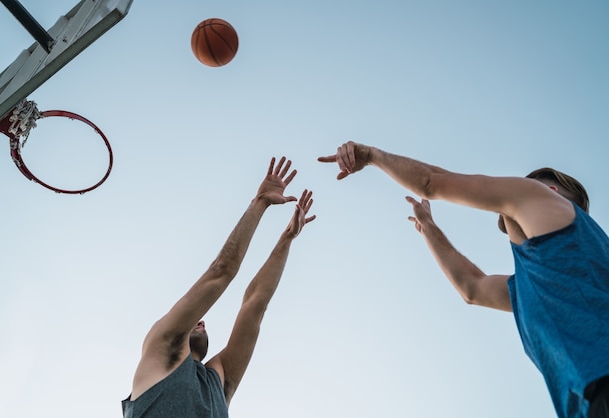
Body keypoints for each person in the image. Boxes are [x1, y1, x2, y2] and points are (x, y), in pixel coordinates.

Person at [319, 141, 609, 418]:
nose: (508, 189)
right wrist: (429, 228)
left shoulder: (539, 198)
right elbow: (472, 287)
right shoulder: (546, 279)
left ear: (551, 190)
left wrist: (370, 155)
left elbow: (431, 182)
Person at [122, 156, 315, 417]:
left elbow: (255, 304)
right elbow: (221, 270)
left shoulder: (219, 381)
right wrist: (259, 203)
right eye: (193, 319)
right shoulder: (163, 345)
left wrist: (286, 239)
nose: (201, 320)